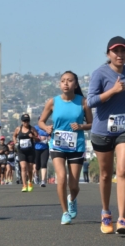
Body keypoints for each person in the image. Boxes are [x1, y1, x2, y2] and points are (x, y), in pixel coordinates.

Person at [39, 71, 92, 225]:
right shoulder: (53, 102)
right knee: (61, 178)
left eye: (69, 81)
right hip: (57, 144)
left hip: (76, 145)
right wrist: (47, 128)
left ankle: (72, 199)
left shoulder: (83, 102)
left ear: (75, 84)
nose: (66, 83)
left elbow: (92, 123)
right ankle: (65, 212)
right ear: (59, 84)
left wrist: (81, 125)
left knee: (74, 185)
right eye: (63, 81)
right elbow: (41, 121)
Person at [87, 36, 125, 234]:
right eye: (115, 51)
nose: (119, 55)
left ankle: (122, 218)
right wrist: (113, 91)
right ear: (108, 54)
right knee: (104, 174)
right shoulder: (100, 74)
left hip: (123, 131)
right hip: (102, 131)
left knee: (123, 170)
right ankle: (105, 213)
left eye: (122, 51)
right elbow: (90, 102)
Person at [13, 114, 39, 192]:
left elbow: (38, 138)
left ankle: (30, 182)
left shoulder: (32, 129)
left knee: (30, 169)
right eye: (24, 121)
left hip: (30, 151)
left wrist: (33, 137)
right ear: (22, 121)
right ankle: (24, 185)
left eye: (27, 121)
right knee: (23, 167)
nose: (26, 123)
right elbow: (14, 136)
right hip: (21, 151)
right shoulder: (18, 129)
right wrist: (15, 141)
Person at [34, 117, 50, 187]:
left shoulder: (47, 128)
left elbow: (50, 136)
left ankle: (43, 181)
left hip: (45, 148)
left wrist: (47, 138)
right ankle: (36, 176)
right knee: (37, 165)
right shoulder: (35, 128)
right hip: (36, 148)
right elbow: (33, 136)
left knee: (44, 164)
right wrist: (40, 138)